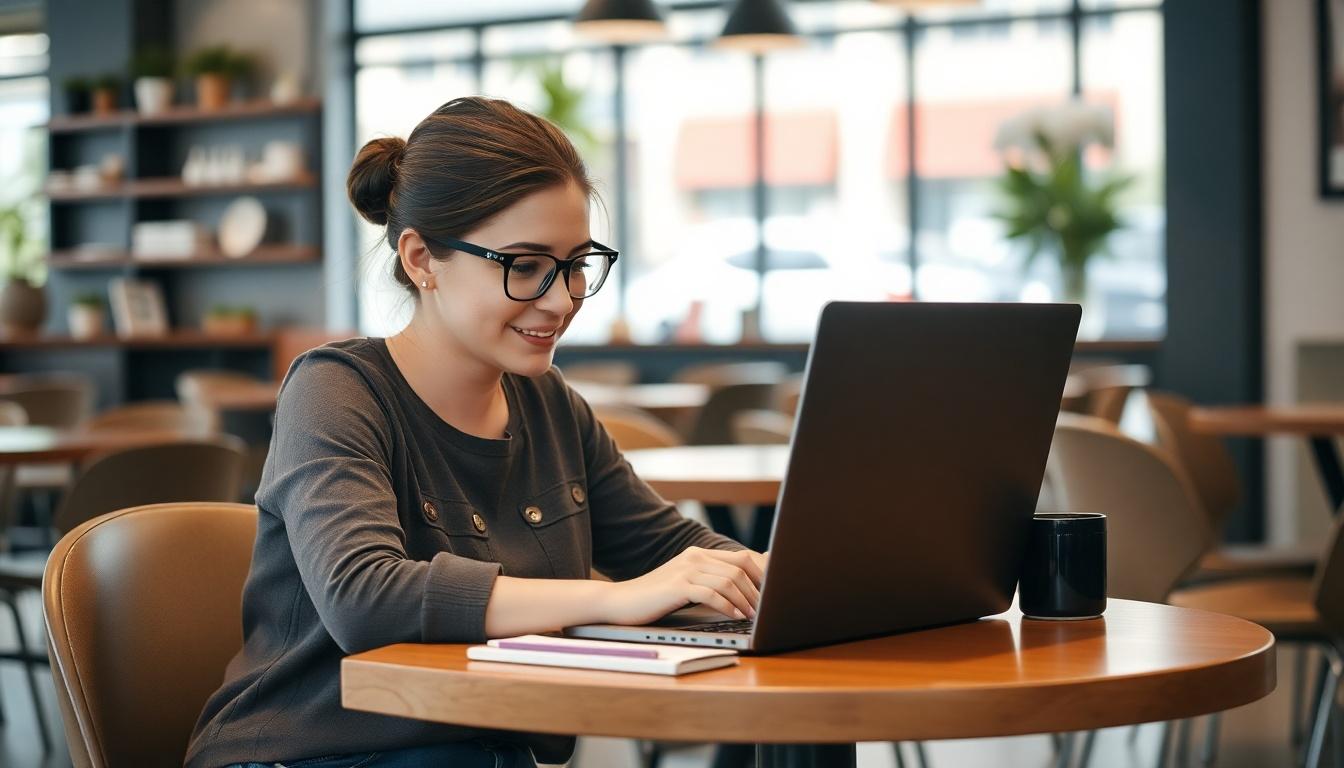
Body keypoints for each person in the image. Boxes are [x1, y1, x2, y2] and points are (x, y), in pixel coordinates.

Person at [185, 96, 767, 768]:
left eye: (577, 264)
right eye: (524, 266)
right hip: (309, 753)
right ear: (421, 259)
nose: (562, 298)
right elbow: (364, 597)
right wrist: (619, 597)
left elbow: (672, 553)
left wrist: (788, 581)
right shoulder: (334, 390)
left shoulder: (549, 406)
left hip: (480, 749)